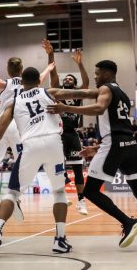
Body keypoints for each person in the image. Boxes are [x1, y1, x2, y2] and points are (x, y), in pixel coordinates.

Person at [47, 60, 137, 247]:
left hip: (114, 145)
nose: (95, 76)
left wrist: (66, 107)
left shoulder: (105, 89)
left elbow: (98, 107)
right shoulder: (122, 94)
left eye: (97, 73)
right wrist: (95, 148)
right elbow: (120, 127)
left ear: (106, 73)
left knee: (90, 191)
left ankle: (128, 222)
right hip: (129, 145)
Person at [0, 64, 95, 255]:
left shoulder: (13, 102)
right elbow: (86, 93)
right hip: (54, 144)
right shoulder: (50, 92)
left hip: (30, 146)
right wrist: (106, 91)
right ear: (39, 81)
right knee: (59, 192)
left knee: (13, 193)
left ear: (22, 83)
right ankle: (60, 239)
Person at [0, 57, 52, 226]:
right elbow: (40, 77)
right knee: (22, 167)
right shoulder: (29, 82)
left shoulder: (3, 83)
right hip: (20, 126)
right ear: (22, 70)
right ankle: (16, 200)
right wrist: (49, 68)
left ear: (8, 70)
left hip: (2, 125)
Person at [42, 39, 89, 215]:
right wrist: (51, 54)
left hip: (73, 135)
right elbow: (53, 75)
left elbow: (86, 85)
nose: (68, 79)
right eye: (66, 78)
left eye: (71, 78)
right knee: (57, 166)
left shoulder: (77, 95)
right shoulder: (57, 93)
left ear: (73, 83)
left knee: (78, 169)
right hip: (58, 133)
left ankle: (81, 202)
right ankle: (61, 195)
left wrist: (80, 64)